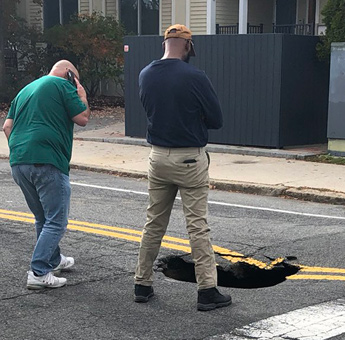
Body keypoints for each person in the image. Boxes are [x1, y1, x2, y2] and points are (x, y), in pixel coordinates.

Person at [133, 24, 230, 311]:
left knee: (154, 224)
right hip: (190, 158)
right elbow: (216, 119)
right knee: (197, 227)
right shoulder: (195, 76)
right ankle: (207, 290)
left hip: (158, 157)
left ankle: (142, 283)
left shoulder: (146, 74)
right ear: (187, 46)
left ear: (164, 43)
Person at [2, 60, 90, 289]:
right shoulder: (62, 85)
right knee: (57, 221)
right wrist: (81, 95)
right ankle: (39, 271)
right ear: (69, 75)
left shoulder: (25, 90)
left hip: (19, 162)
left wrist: (22, 149)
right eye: (75, 79)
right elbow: (82, 118)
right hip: (48, 160)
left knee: (42, 217)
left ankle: (53, 259)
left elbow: (6, 127)